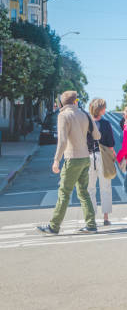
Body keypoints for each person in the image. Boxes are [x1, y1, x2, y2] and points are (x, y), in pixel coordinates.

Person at [37, 91, 101, 234]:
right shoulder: (85, 114)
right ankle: (91, 224)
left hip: (72, 158)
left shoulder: (63, 115)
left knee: (64, 193)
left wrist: (56, 160)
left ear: (61, 103)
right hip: (86, 157)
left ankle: (54, 226)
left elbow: (63, 141)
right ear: (75, 101)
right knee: (83, 192)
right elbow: (97, 135)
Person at [86, 98, 115, 225]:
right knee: (106, 188)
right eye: (104, 107)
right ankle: (106, 218)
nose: (105, 109)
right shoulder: (106, 124)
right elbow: (111, 144)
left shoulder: (86, 123)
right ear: (100, 109)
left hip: (89, 156)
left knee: (90, 188)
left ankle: (91, 217)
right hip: (103, 157)